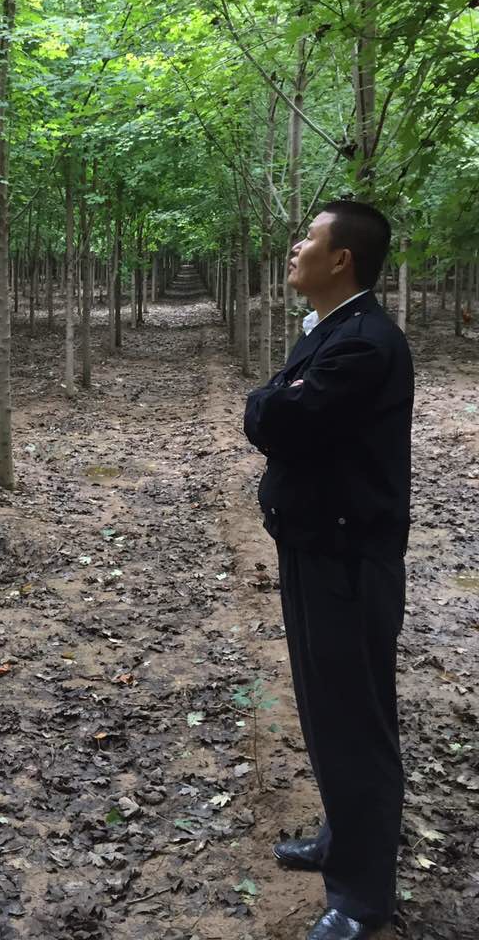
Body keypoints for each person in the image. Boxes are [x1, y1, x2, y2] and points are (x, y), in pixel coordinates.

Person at [243, 200, 414, 940]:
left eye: (309, 238)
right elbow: (281, 409)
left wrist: (268, 402)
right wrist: (275, 401)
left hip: (347, 560)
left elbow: (278, 420)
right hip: (317, 548)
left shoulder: (364, 343)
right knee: (326, 708)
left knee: (354, 720)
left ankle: (362, 898)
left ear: (341, 258)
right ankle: (342, 839)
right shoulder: (334, 329)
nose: (295, 246)